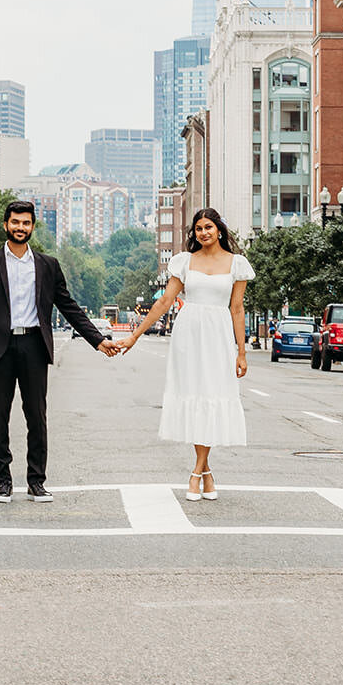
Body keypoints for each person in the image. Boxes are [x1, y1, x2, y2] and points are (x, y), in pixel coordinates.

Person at [0, 200, 119, 504]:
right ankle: (4, 482)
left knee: (36, 416)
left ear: (32, 227)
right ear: (5, 224)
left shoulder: (47, 265)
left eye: (25, 223)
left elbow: (68, 306)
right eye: (15, 222)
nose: (20, 227)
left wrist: (98, 340)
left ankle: (36, 481)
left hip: (34, 346)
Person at [114, 208, 252, 502]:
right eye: (199, 228)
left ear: (219, 230)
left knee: (212, 396)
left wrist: (241, 352)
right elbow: (165, 301)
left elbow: (237, 309)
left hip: (218, 335)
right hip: (188, 335)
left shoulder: (236, 264)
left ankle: (199, 471)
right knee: (194, 397)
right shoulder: (185, 262)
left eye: (209, 227)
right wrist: (136, 335)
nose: (203, 233)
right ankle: (203, 472)